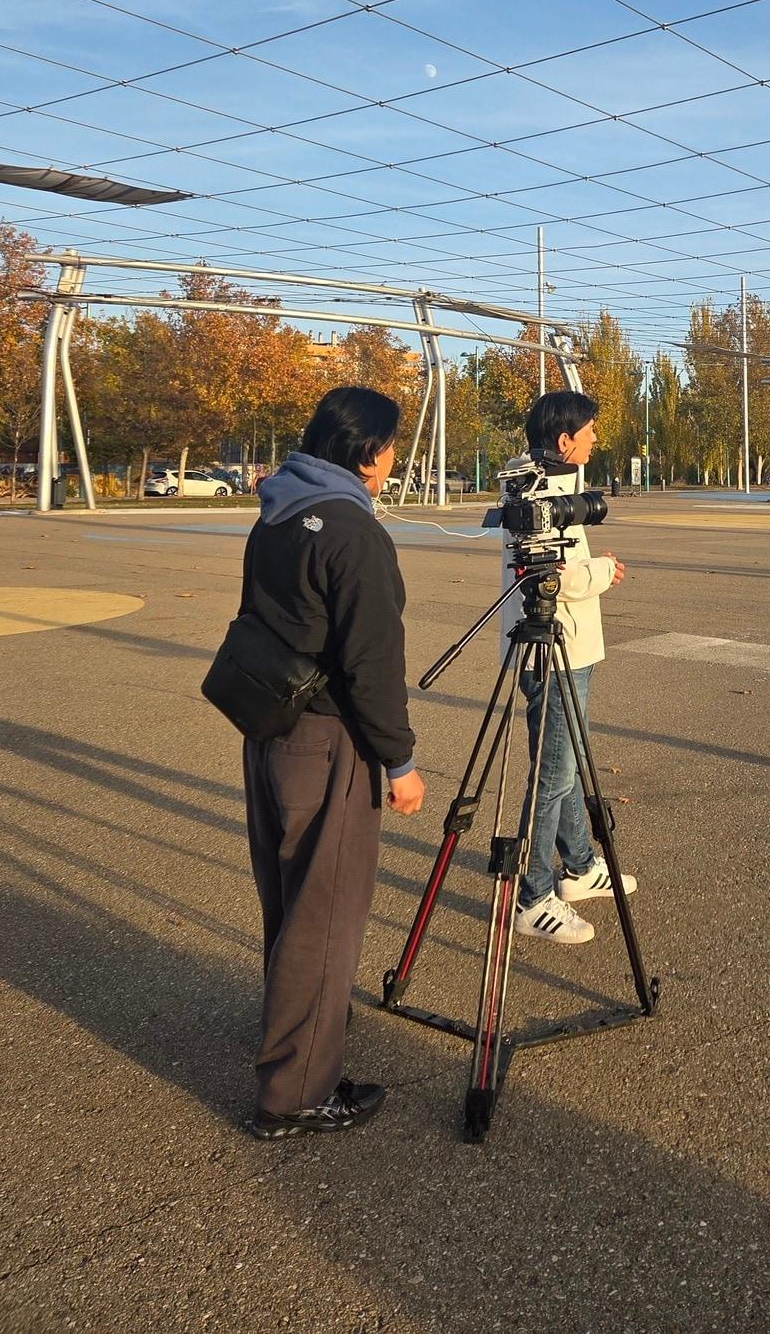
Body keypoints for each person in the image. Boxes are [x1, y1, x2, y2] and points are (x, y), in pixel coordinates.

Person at [239, 386, 426, 1137]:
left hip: (270, 727)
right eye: (389, 445)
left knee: (291, 900)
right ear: (364, 450)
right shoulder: (352, 530)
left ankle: (295, 1031)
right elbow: (373, 661)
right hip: (325, 738)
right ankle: (297, 1090)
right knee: (326, 913)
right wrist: (401, 761)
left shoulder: (277, 510)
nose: (392, 458)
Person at [502, 390, 632, 947]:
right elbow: (548, 575)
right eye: (591, 430)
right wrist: (603, 569)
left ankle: (578, 868)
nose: (596, 438)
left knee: (569, 761)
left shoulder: (539, 483)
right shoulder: (538, 489)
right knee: (552, 773)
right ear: (565, 440)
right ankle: (532, 897)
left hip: (568, 645)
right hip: (554, 650)